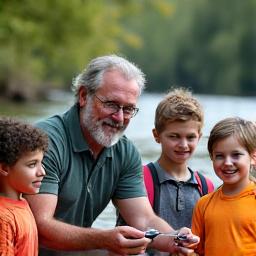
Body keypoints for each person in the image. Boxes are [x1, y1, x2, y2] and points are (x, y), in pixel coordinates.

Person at [25, 54, 199, 256]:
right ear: (83, 96)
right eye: (111, 104)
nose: (119, 117)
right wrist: (104, 240)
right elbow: (40, 226)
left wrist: (174, 239)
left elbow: (143, 219)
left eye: (128, 109)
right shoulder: (45, 142)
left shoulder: (125, 152)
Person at [116, 88, 214, 255]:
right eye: (174, 136)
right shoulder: (139, 179)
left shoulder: (206, 187)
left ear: (199, 136)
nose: (183, 144)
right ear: (157, 135)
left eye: (190, 137)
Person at [191, 117, 256, 256]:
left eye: (236, 155)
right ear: (212, 157)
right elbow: (197, 251)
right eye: (219, 156)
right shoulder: (204, 204)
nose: (227, 162)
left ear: (253, 157)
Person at [0, 117, 48, 256]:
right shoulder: (3, 219)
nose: (42, 172)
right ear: (4, 168)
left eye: (41, 163)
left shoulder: (22, 202)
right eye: (32, 164)